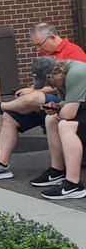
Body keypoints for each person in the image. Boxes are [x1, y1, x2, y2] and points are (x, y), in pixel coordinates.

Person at [0, 23, 86, 182]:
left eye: (39, 45)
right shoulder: (46, 60)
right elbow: (47, 84)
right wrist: (36, 91)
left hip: (74, 103)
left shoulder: (74, 55)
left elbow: (73, 88)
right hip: (61, 102)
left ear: (52, 37)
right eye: (34, 46)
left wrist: (37, 92)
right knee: (10, 116)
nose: (37, 49)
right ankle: (2, 165)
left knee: (39, 103)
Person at [39, 59, 86, 200]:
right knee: (51, 119)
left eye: (53, 84)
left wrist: (58, 110)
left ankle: (73, 185)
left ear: (54, 76)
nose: (54, 88)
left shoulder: (76, 74)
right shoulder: (65, 72)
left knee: (65, 125)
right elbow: (70, 104)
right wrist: (57, 106)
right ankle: (57, 171)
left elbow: (69, 114)